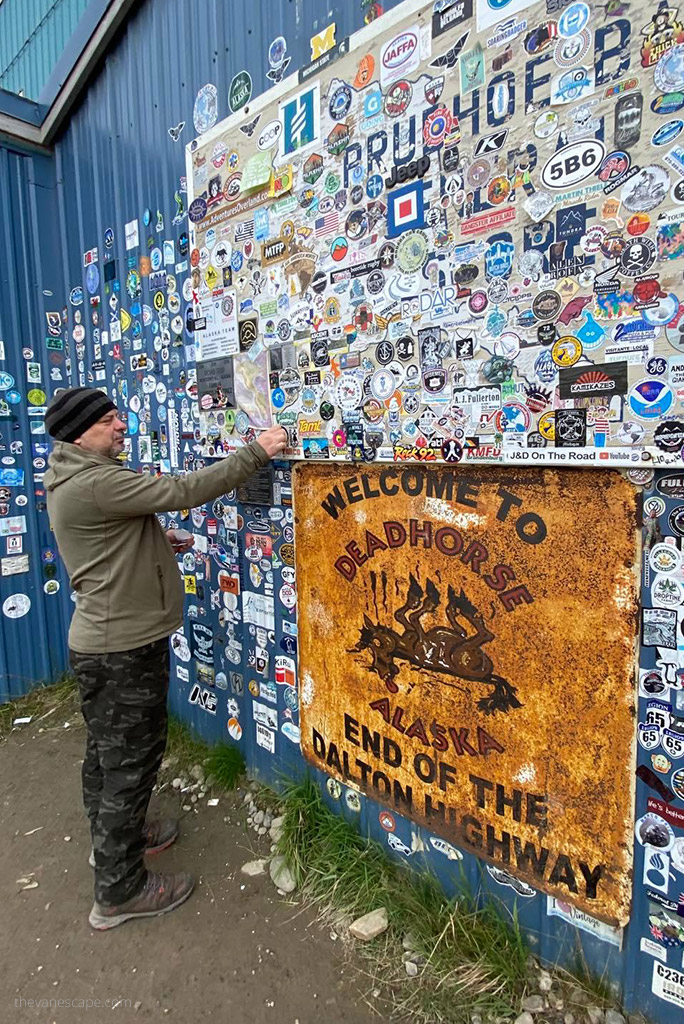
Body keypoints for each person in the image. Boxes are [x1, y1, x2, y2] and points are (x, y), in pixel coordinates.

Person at [44, 387, 287, 931]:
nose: (120, 425)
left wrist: (157, 544)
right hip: (119, 648)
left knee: (107, 755)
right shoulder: (95, 479)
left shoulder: (72, 472)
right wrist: (256, 452)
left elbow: (112, 537)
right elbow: (181, 490)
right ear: (81, 431)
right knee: (130, 761)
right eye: (108, 420)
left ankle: (115, 841)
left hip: (106, 640)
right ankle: (119, 890)